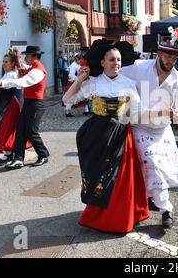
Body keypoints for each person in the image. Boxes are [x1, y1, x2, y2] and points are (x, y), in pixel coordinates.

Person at [63, 40, 149, 234]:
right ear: (102, 62)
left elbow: (137, 112)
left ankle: (120, 218)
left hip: (120, 136)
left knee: (119, 179)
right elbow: (67, 100)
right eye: (112, 60)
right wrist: (79, 80)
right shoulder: (93, 83)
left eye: (118, 60)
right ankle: (98, 216)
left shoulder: (128, 84)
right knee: (97, 176)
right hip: (96, 136)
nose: (116, 63)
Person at [120, 27, 178, 229]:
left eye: (174, 58)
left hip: (162, 130)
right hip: (140, 126)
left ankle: (156, 201)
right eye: (167, 56)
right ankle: (165, 208)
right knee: (150, 162)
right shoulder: (139, 67)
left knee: (160, 166)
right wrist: (90, 75)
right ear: (159, 53)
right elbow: (116, 73)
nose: (170, 61)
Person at [0, 46, 50, 170]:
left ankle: (43, 154)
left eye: (28, 55)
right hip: (29, 103)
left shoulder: (38, 71)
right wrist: (16, 55)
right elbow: (21, 66)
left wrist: (3, 83)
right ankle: (18, 159)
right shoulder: (32, 68)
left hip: (36, 104)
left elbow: (23, 81)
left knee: (31, 131)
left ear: (34, 56)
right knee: (21, 129)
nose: (26, 57)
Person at [0, 48, 32, 163]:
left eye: (6, 61)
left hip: (9, 105)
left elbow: (8, 86)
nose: (4, 64)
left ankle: (10, 151)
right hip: (3, 103)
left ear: (13, 63)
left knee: (6, 128)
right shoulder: (7, 74)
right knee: (3, 127)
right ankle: (8, 151)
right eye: (3, 61)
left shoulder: (12, 74)